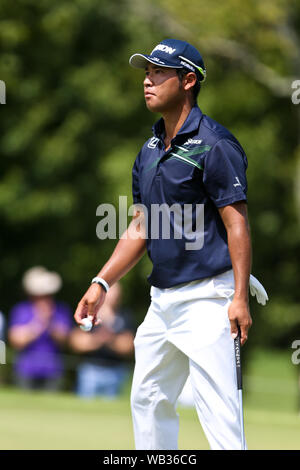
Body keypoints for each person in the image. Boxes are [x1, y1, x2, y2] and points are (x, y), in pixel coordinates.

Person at [74, 39, 267, 450]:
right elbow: (141, 225)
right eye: (146, 73)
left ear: (188, 80)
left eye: (158, 73)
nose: (147, 81)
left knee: (219, 413)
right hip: (162, 301)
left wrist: (238, 297)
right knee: (147, 399)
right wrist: (102, 283)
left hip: (209, 298)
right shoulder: (148, 150)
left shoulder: (216, 144)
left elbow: (238, 226)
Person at [8, 266, 72, 391]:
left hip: (53, 371)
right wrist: (38, 324)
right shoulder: (21, 310)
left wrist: (50, 323)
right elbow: (15, 341)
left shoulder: (61, 310)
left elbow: (65, 340)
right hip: (25, 370)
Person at [69, 282, 134, 399]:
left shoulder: (125, 316)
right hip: (90, 370)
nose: (113, 296)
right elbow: (77, 342)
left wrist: (110, 339)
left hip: (116, 372)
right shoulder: (88, 314)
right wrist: (99, 339)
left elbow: (128, 346)